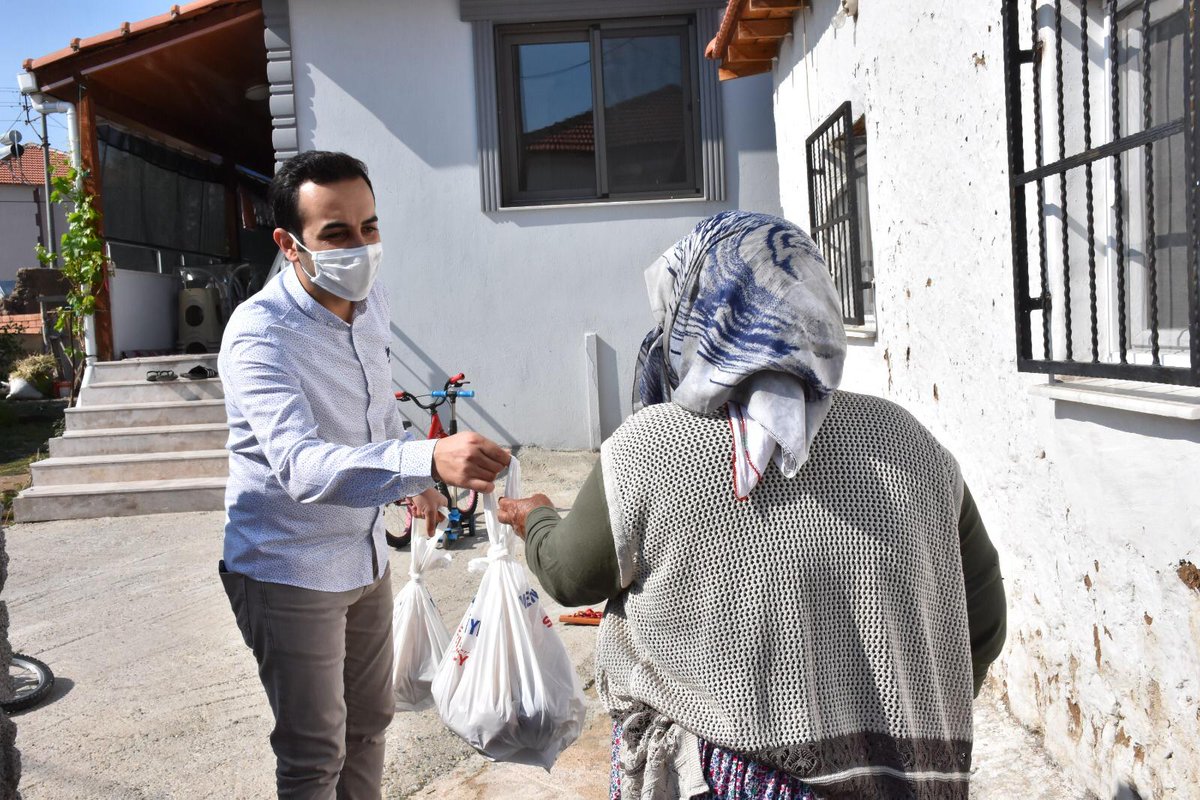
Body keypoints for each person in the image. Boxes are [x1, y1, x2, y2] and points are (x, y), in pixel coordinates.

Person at [498, 211, 1007, 800]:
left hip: (729, 784)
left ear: (698, 314)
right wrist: (894, 719)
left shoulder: (652, 448)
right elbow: (984, 621)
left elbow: (570, 573)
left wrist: (537, 517)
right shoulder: (910, 443)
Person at [217, 150, 509, 799]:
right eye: (337, 233)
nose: (361, 247)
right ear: (288, 244)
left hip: (363, 553)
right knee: (314, 750)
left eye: (369, 226)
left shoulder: (371, 302)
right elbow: (300, 466)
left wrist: (416, 480)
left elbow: (376, 415)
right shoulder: (260, 335)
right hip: (287, 565)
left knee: (371, 722)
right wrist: (425, 459)